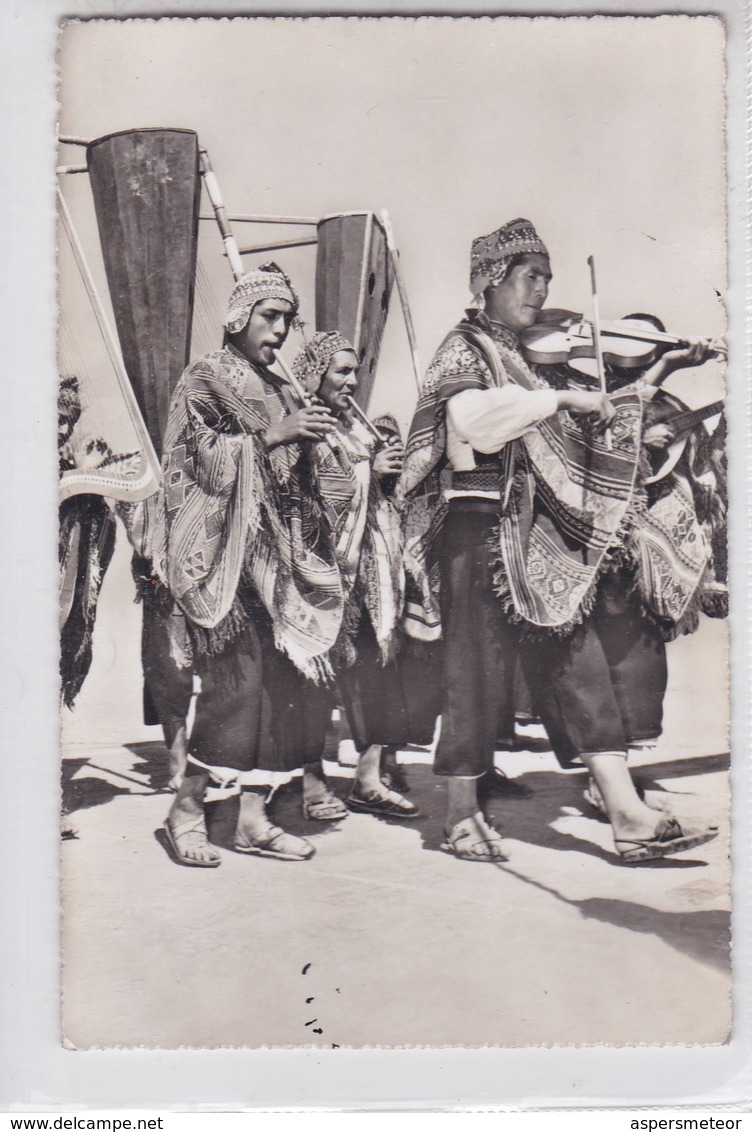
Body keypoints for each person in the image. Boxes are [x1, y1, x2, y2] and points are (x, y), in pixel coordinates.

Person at [398, 217, 720, 864]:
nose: (542, 292)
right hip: (477, 528)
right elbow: (471, 419)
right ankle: (460, 815)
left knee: (577, 654)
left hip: (536, 531)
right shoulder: (466, 347)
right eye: (530, 278)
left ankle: (625, 812)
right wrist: (560, 406)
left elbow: (605, 424)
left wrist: (656, 372)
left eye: (547, 279)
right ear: (491, 280)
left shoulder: (528, 358)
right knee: (474, 670)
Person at [137, 264, 344, 867]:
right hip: (228, 559)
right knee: (237, 692)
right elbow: (190, 458)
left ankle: (253, 816)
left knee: (286, 690)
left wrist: (323, 448)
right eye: (269, 316)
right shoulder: (207, 376)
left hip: (281, 559)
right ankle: (186, 809)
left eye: (287, 319)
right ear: (238, 317)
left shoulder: (283, 385)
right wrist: (275, 436)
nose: (280, 330)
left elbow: (308, 474)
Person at [290, 332, 420, 819]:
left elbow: (374, 497)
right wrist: (367, 467)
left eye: (354, 372)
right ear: (316, 374)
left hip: (366, 572)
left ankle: (367, 779)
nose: (351, 380)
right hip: (320, 573)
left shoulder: (355, 428)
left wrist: (384, 474)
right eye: (341, 371)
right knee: (314, 682)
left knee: (375, 675)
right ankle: (312, 781)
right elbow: (320, 493)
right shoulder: (307, 424)